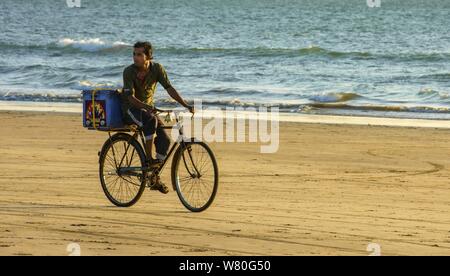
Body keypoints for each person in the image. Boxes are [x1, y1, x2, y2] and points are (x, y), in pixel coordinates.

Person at [120, 41, 194, 194]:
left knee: (165, 140)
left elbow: (169, 88)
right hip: (130, 110)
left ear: (148, 56)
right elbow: (130, 97)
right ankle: (148, 160)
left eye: (139, 54)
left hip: (148, 111)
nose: (135, 57)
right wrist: (146, 107)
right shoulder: (128, 71)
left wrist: (185, 105)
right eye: (134, 54)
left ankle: (154, 176)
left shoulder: (157, 69)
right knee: (151, 120)